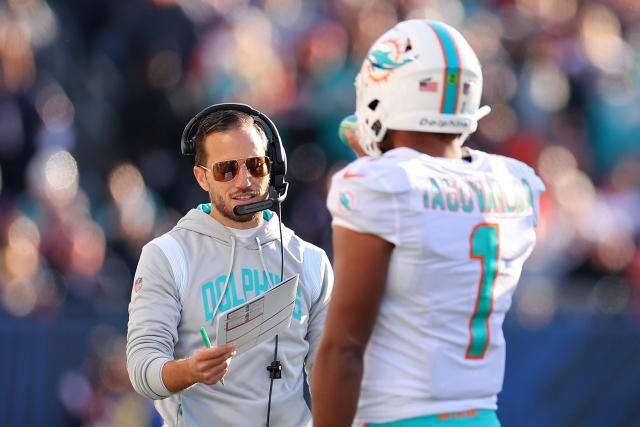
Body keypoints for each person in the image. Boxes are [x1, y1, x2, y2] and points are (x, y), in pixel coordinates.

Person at [312, 19, 545, 427]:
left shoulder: (379, 185)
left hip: (397, 418)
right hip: (481, 415)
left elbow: (344, 350)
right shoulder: (517, 182)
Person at [126, 104, 333, 426]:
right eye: (226, 170)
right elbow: (142, 369)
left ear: (274, 168)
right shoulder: (167, 255)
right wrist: (189, 371)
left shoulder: (310, 261)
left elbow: (328, 377)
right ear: (201, 177)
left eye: (256, 165)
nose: (244, 180)